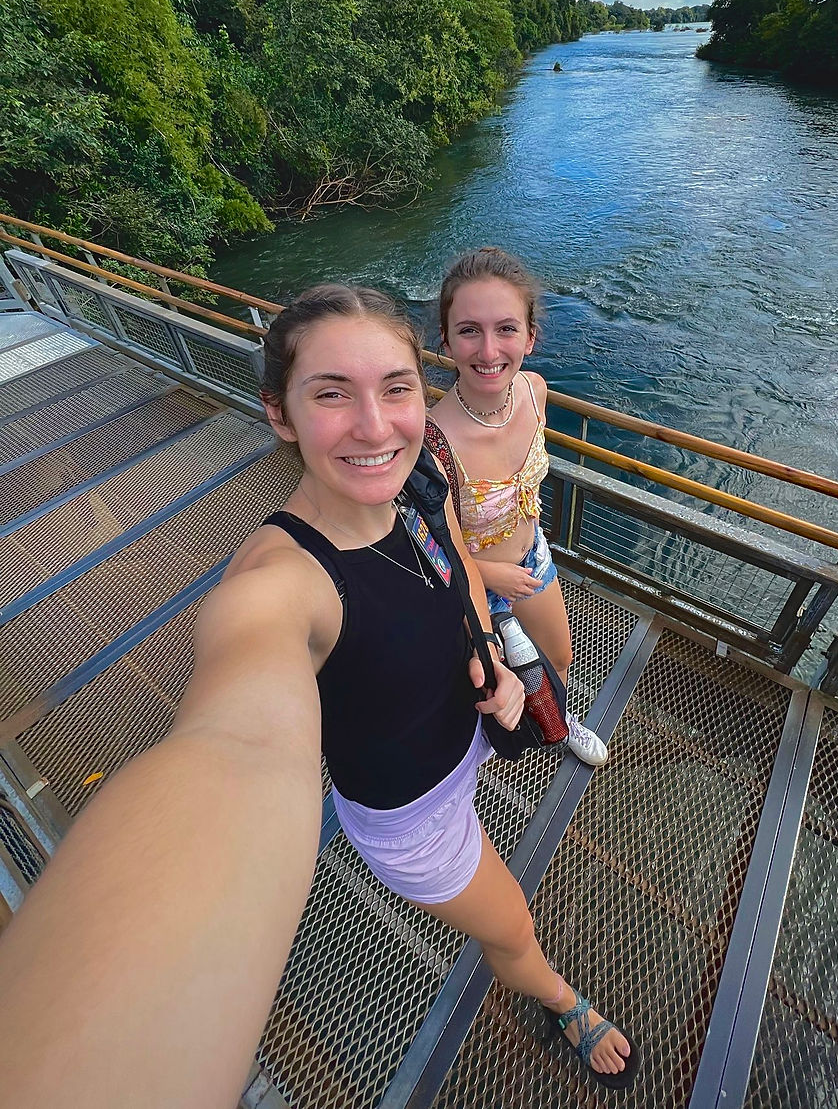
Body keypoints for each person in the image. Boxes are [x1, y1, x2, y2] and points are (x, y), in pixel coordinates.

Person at [0, 283, 636, 1104]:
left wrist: (495, 662)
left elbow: (456, 572)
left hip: (471, 730)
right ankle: (557, 996)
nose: (375, 426)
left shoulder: (418, 479)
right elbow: (234, 745)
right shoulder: (279, 583)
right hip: (416, 813)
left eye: (396, 388)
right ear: (280, 413)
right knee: (511, 923)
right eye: (332, 394)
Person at [428, 248, 609, 768]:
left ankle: (563, 723)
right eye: (469, 330)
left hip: (531, 559)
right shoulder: (431, 441)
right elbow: (420, 540)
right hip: (465, 581)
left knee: (558, 658)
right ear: (446, 338)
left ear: (530, 337)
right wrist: (488, 575)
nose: (488, 350)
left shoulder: (534, 392)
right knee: (486, 692)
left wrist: (517, 567)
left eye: (506, 329)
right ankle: (479, 760)